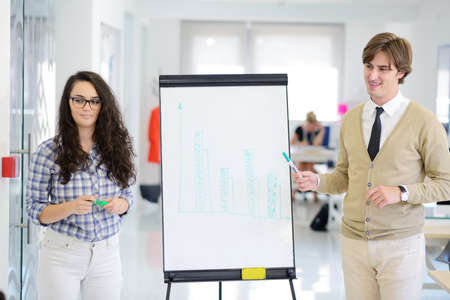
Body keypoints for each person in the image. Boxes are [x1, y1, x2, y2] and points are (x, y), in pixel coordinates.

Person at [295, 32, 450, 300]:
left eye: (383, 69)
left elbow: (445, 185)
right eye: (368, 66)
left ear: (401, 72)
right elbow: (344, 177)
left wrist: (401, 192)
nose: (372, 75)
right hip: (353, 243)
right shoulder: (351, 119)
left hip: (400, 246)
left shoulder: (425, 122)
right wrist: (317, 181)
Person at [26, 71, 136, 300]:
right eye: (79, 99)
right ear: (68, 103)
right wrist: (70, 207)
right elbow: (34, 210)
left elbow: (128, 193)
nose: (87, 107)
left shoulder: (117, 148)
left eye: (94, 101)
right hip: (61, 255)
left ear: (103, 106)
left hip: (107, 254)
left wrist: (122, 204)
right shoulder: (47, 152)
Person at [291, 111, 325, 201]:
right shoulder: (300, 129)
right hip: (301, 157)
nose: (312, 128)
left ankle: (314, 194)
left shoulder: (316, 131)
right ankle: (294, 191)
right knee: (301, 166)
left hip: (311, 157)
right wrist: (300, 143)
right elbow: (292, 143)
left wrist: (322, 130)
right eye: (310, 125)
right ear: (307, 123)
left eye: (314, 125)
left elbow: (316, 144)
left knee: (310, 166)